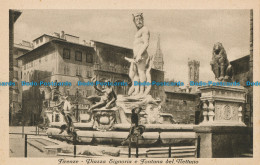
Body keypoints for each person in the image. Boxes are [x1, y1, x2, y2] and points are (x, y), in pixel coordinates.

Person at [132, 13, 150, 96]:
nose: (139, 21)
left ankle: (142, 91)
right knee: (134, 74)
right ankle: (136, 91)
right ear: (134, 22)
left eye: (140, 19)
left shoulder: (145, 29)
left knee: (141, 72)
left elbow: (146, 43)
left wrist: (139, 54)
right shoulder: (138, 31)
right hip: (136, 56)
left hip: (141, 54)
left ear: (143, 20)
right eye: (137, 20)